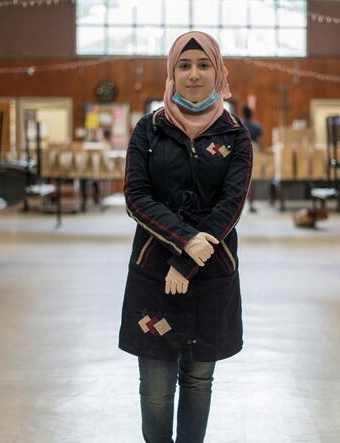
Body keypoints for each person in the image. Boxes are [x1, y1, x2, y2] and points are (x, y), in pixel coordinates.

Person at [119, 31, 253, 443]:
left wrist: (188, 259)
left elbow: (230, 206)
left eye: (203, 65)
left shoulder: (235, 135)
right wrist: (182, 239)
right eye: (184, 65)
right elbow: (136, 196)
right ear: (172, 72)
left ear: (218, 70)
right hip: (154, 278)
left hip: (211, 275)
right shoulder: (150, 129)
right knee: (156, 388)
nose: (193, 74)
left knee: (198, 380)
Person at [242, 105, 262, 213]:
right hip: (254, 151)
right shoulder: (257, 126)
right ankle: (251, 204)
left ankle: (239, 205)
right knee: (252, 180)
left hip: (241, 150)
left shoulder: (239, 125)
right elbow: (259, 141)